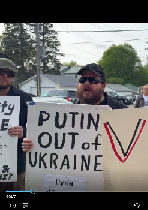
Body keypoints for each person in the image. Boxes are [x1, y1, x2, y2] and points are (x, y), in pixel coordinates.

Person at [22, 63, 128, 153]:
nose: (87, 83)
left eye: (93, 80)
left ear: (103, 85)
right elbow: (55, 142)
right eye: (82, 79)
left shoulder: (122, 111)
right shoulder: (67, 114)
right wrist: (34, 144)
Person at [0, 56, 32, 192]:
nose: (5, 76)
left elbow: (37, 125)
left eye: (9, 74)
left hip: (13, 160)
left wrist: (23, 131)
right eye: (1, 72)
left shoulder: (26, 98)